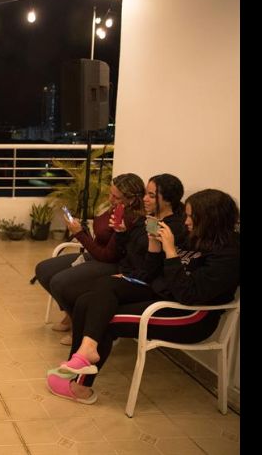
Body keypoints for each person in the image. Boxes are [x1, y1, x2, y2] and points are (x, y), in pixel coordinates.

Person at [46, 188, 239, 404]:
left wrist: (171, 252)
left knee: (106, 319)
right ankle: (81, 358)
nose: (186, 221)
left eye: (191, 216)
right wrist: (155, 247)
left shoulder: (229, 254)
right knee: (88, 299)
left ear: (210, 219)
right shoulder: (195, 236)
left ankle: (79, 386)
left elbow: (189, 295)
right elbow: (157, 274)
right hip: (165, 294)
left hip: (192, 315)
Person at [34, 173, 146, 344]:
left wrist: (79, 234)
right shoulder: (114, 208)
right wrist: (81, 229)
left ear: (130, 199)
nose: (110, 199)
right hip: (95, 254)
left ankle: (78, 325)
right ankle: (70, 314)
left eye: (116, 197)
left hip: (111, 263)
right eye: (110, 193)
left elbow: (107, 255)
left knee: (60, 282)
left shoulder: (127, 218)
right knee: (44, 270)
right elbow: (98, 239)